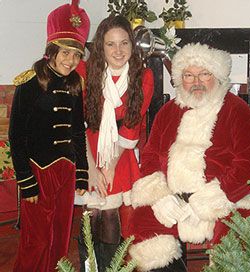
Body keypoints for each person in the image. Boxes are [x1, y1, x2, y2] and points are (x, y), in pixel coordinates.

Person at [126, 43, 250, 272]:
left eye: (204, 74)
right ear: (180, 79)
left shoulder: (238, 111)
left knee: (238, 232)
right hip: (175, 196)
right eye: (189, 75)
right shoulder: (168, 112)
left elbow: (249, 164)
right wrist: (160, 195)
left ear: (218, 76)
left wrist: (209, 201)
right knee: (143, 225)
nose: (197, 82)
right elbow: (150, 155)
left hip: (227, 198)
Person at [9, 1, 90, 271]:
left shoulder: (76, 83)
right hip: (38, 172)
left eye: (77, 55)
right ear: (51, 50)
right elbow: (16, 135)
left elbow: (78, 131)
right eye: (65, 52)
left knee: (60, 237)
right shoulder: (30, 82)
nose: (71, 60)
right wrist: (26, 180)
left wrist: (81, 172)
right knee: (37, 240)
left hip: (66, 172)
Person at [77, 15, 154, 272]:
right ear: (101, 47)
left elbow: (132, 124)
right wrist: (89, 166)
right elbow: (77, 122)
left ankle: (111, 269)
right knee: (90, 213)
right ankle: (89, 269)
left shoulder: (143, 77)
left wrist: (109, 166)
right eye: (111, 44)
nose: (118, 51)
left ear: (132, 45)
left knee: (109, 211)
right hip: (86, 148)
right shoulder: (85, 73)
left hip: (119, 152)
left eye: (124, 43)